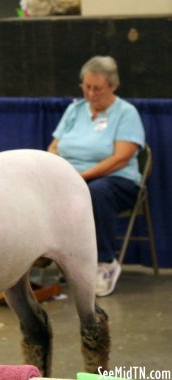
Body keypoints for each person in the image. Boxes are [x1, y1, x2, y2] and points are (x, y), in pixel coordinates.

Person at [47, 55, 145, 297]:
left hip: (116, 182)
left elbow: (121, 157)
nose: (91, 94)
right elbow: (53, 147)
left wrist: (81, 176)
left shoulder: (126, 113)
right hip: (72, 178)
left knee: (95, 192)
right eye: (87, 87)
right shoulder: (75, 109)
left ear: (112, 86)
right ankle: (58, 261)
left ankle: (105, 263)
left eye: (98, 89)